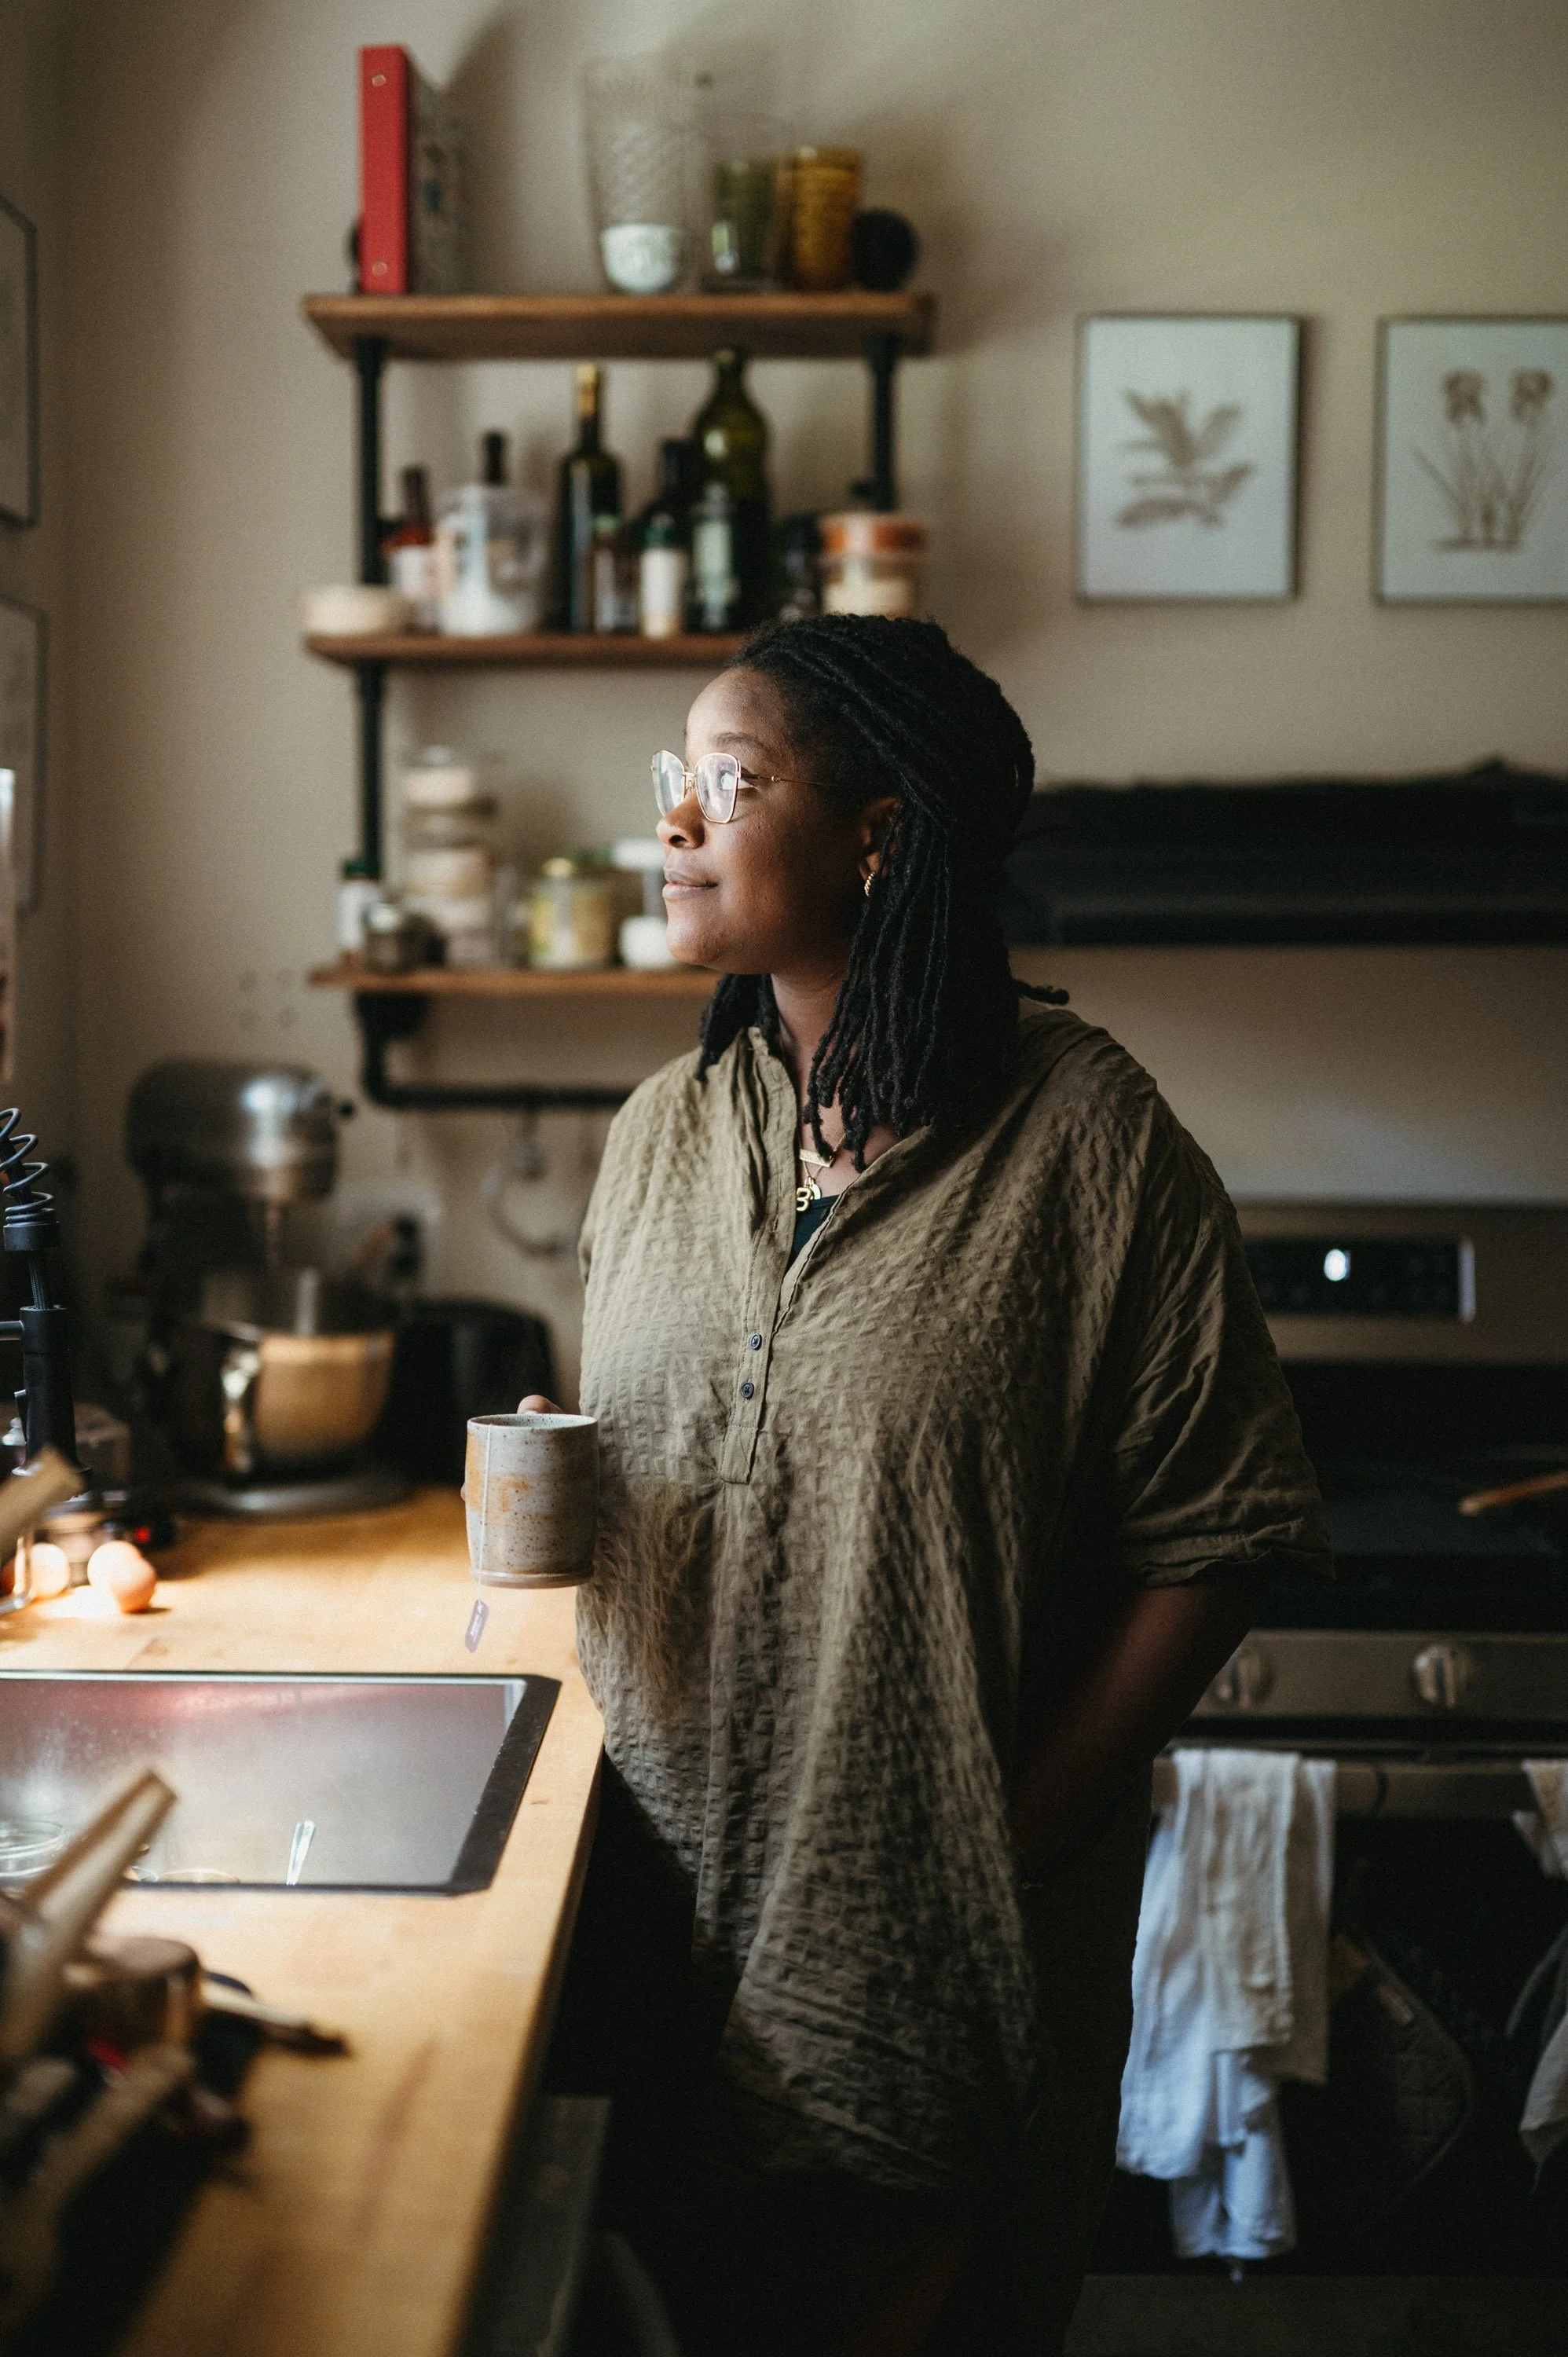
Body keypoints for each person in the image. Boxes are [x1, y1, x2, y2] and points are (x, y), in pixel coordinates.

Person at [534, 615, 1331, 2355]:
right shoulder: (662, 1132)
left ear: (876, 835)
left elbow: (1225, 1532)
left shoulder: (1089, 1144)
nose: (672, 823)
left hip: (929, 1951)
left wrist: (1010, 1834)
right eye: (676, 781)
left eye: (729, 784)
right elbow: (708, 1464)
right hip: (649, 1923)